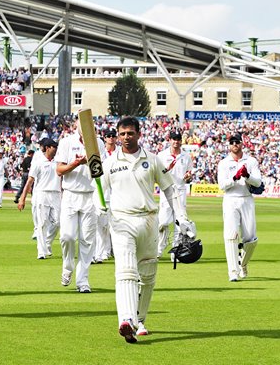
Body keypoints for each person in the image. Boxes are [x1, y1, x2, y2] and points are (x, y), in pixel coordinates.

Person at [100, 116, 195, 343]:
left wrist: (181, 217)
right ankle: (126, 320)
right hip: (122, 221)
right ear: (117, 135)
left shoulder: (152, 160)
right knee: (125, 271)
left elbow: (170, 189)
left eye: (130, 133)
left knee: (148, 276)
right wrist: (100, 208)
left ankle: (139, 318)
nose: (125, 137)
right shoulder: (109, 163)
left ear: (139, 134)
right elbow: (100, 191)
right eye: (122, 134)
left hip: (149, 220)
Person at [55, 117, 106, 293]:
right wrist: (76, 163)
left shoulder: (98, 142)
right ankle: (67, 266)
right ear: (77, 126)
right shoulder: (66, 142)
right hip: (70, 194)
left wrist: (90, 162)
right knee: (67, 237)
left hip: (90, 195)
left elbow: (102, 170)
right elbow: (59, 170)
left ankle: (82, 280)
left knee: (87, 241)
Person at [217, 132, 262, 282]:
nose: (235, 144)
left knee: (251, 239)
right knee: (231, 236)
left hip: (247, 200)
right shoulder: (223, 163)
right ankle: (233, 272)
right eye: (232, 142)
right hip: (230, 200)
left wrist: (247, 176)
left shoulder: (251, 161)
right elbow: (222, 185)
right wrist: (235, 177)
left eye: (237, 142)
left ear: (242, 143)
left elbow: (258, 182)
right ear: (229, 145)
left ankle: (242, 264)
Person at [17, 138, 61, 259]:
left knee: (58, 222)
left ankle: (47, 244)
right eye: (54, 147)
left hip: (56, 194)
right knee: (42, 223)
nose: (56, 149)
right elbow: (29, 181)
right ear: (47, 148)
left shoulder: (58, 161)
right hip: (42, 193)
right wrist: (22, 198)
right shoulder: (38, 162)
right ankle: (41, 251)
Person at [156, 130, 193, 257]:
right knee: (163, 222)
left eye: (178, 139)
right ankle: (159, 249)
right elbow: (157, 174)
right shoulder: (161, 155)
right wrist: (167, 169)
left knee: (180, 223)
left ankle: (176, 252)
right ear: (169, 140)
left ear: (181, 141)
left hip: (180, 191)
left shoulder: (186, 156)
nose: (176, 141)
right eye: (173, 139)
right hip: (166, 190)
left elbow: (188, 175)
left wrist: (188, 176)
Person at [93, 128, 117, 264]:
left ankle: (108, 251)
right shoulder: (100, 153)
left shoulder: (119, 153)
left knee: (112, 226)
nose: (111, 138)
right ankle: (101, 253)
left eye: (113, 136)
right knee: (101, 225)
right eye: (108, 136)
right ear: (105, 138)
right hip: (101, 192)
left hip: (116, 194)